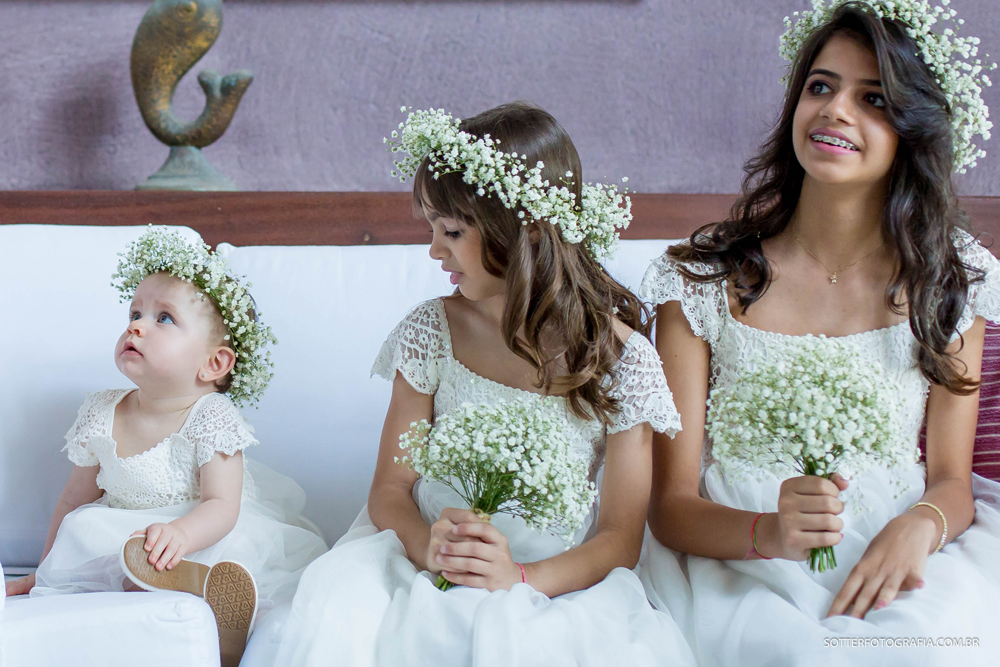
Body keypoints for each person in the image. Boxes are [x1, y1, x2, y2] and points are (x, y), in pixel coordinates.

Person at [273, 102, 696, 667]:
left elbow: (620, 539)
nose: (433, 250)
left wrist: (518, 578)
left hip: (552, 585)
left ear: (529, 233)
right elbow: (389, 491)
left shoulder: (621, 361)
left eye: (451, 231)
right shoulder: (433, 329)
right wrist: (429, 546)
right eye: (432, 229)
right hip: (421, 560)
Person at [639, 3, 1000, 665]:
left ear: (911, 130)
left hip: (898, 546)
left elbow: (952, 477)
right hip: (743, 559)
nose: (836, 111)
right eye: (821, 86)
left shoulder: (953, 277)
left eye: (873, 99)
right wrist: (770, 530)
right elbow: (670, 506)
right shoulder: (696, 280)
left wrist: (920, 526)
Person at [4, 228, 327, 667]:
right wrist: (44, 570)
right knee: (83, 530)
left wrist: (181, 535)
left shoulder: (211, 417)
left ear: (213, 363)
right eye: (135, 312)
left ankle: (209, 596)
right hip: (128, 536)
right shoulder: (102, 411)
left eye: (164, 318)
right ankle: (152, 584)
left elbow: (221, 505)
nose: (136, 325)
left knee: (229, 552)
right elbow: (73, 499)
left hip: (199, 533)